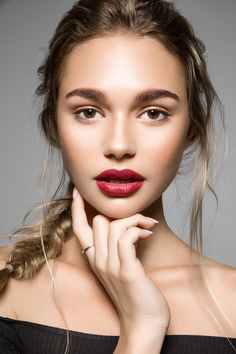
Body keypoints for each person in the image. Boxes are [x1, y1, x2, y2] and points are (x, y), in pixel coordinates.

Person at [0, 0, 235, 353]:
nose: (119, 145)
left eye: (154, 113)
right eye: (89, 111)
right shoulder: (7, 285)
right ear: (53, 123)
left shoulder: (232, 302)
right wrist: (141, 329)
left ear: (191, 128)